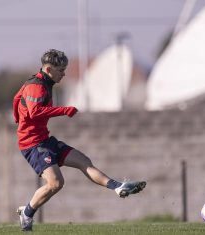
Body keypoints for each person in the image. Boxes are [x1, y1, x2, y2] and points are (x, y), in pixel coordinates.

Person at [13, 49, 146, 231]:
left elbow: (16, 98)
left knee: (84, 161)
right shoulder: (36, 86)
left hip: (45, 139)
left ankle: (117, 186)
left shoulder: (43, 82)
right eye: (61, 70)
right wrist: (64, 110)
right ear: (49, 69)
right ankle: (27, 213)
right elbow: (34, 112)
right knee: (56, 183)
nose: (64, 73)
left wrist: (17, 117)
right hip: (33, 145)